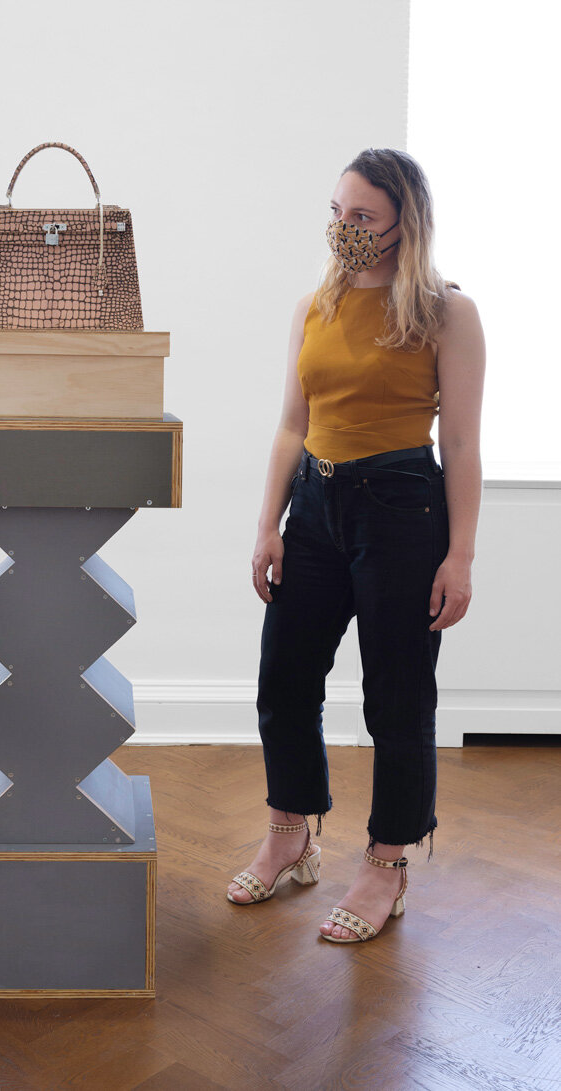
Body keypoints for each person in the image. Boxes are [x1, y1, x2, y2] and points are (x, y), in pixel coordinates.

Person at [226, 148, 485, 943]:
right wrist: (268, 523)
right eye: (338, 212)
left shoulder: (447, 312)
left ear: (407, 223)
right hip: (314, 503)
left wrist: (461, 555)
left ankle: (386, 862)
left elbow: (462, 445)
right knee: (284, 677)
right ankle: (290, 834)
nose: (345, 228)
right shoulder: (316, 305)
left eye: (364, 216)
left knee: (397, 695)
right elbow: (292, 424)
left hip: (402, 508)